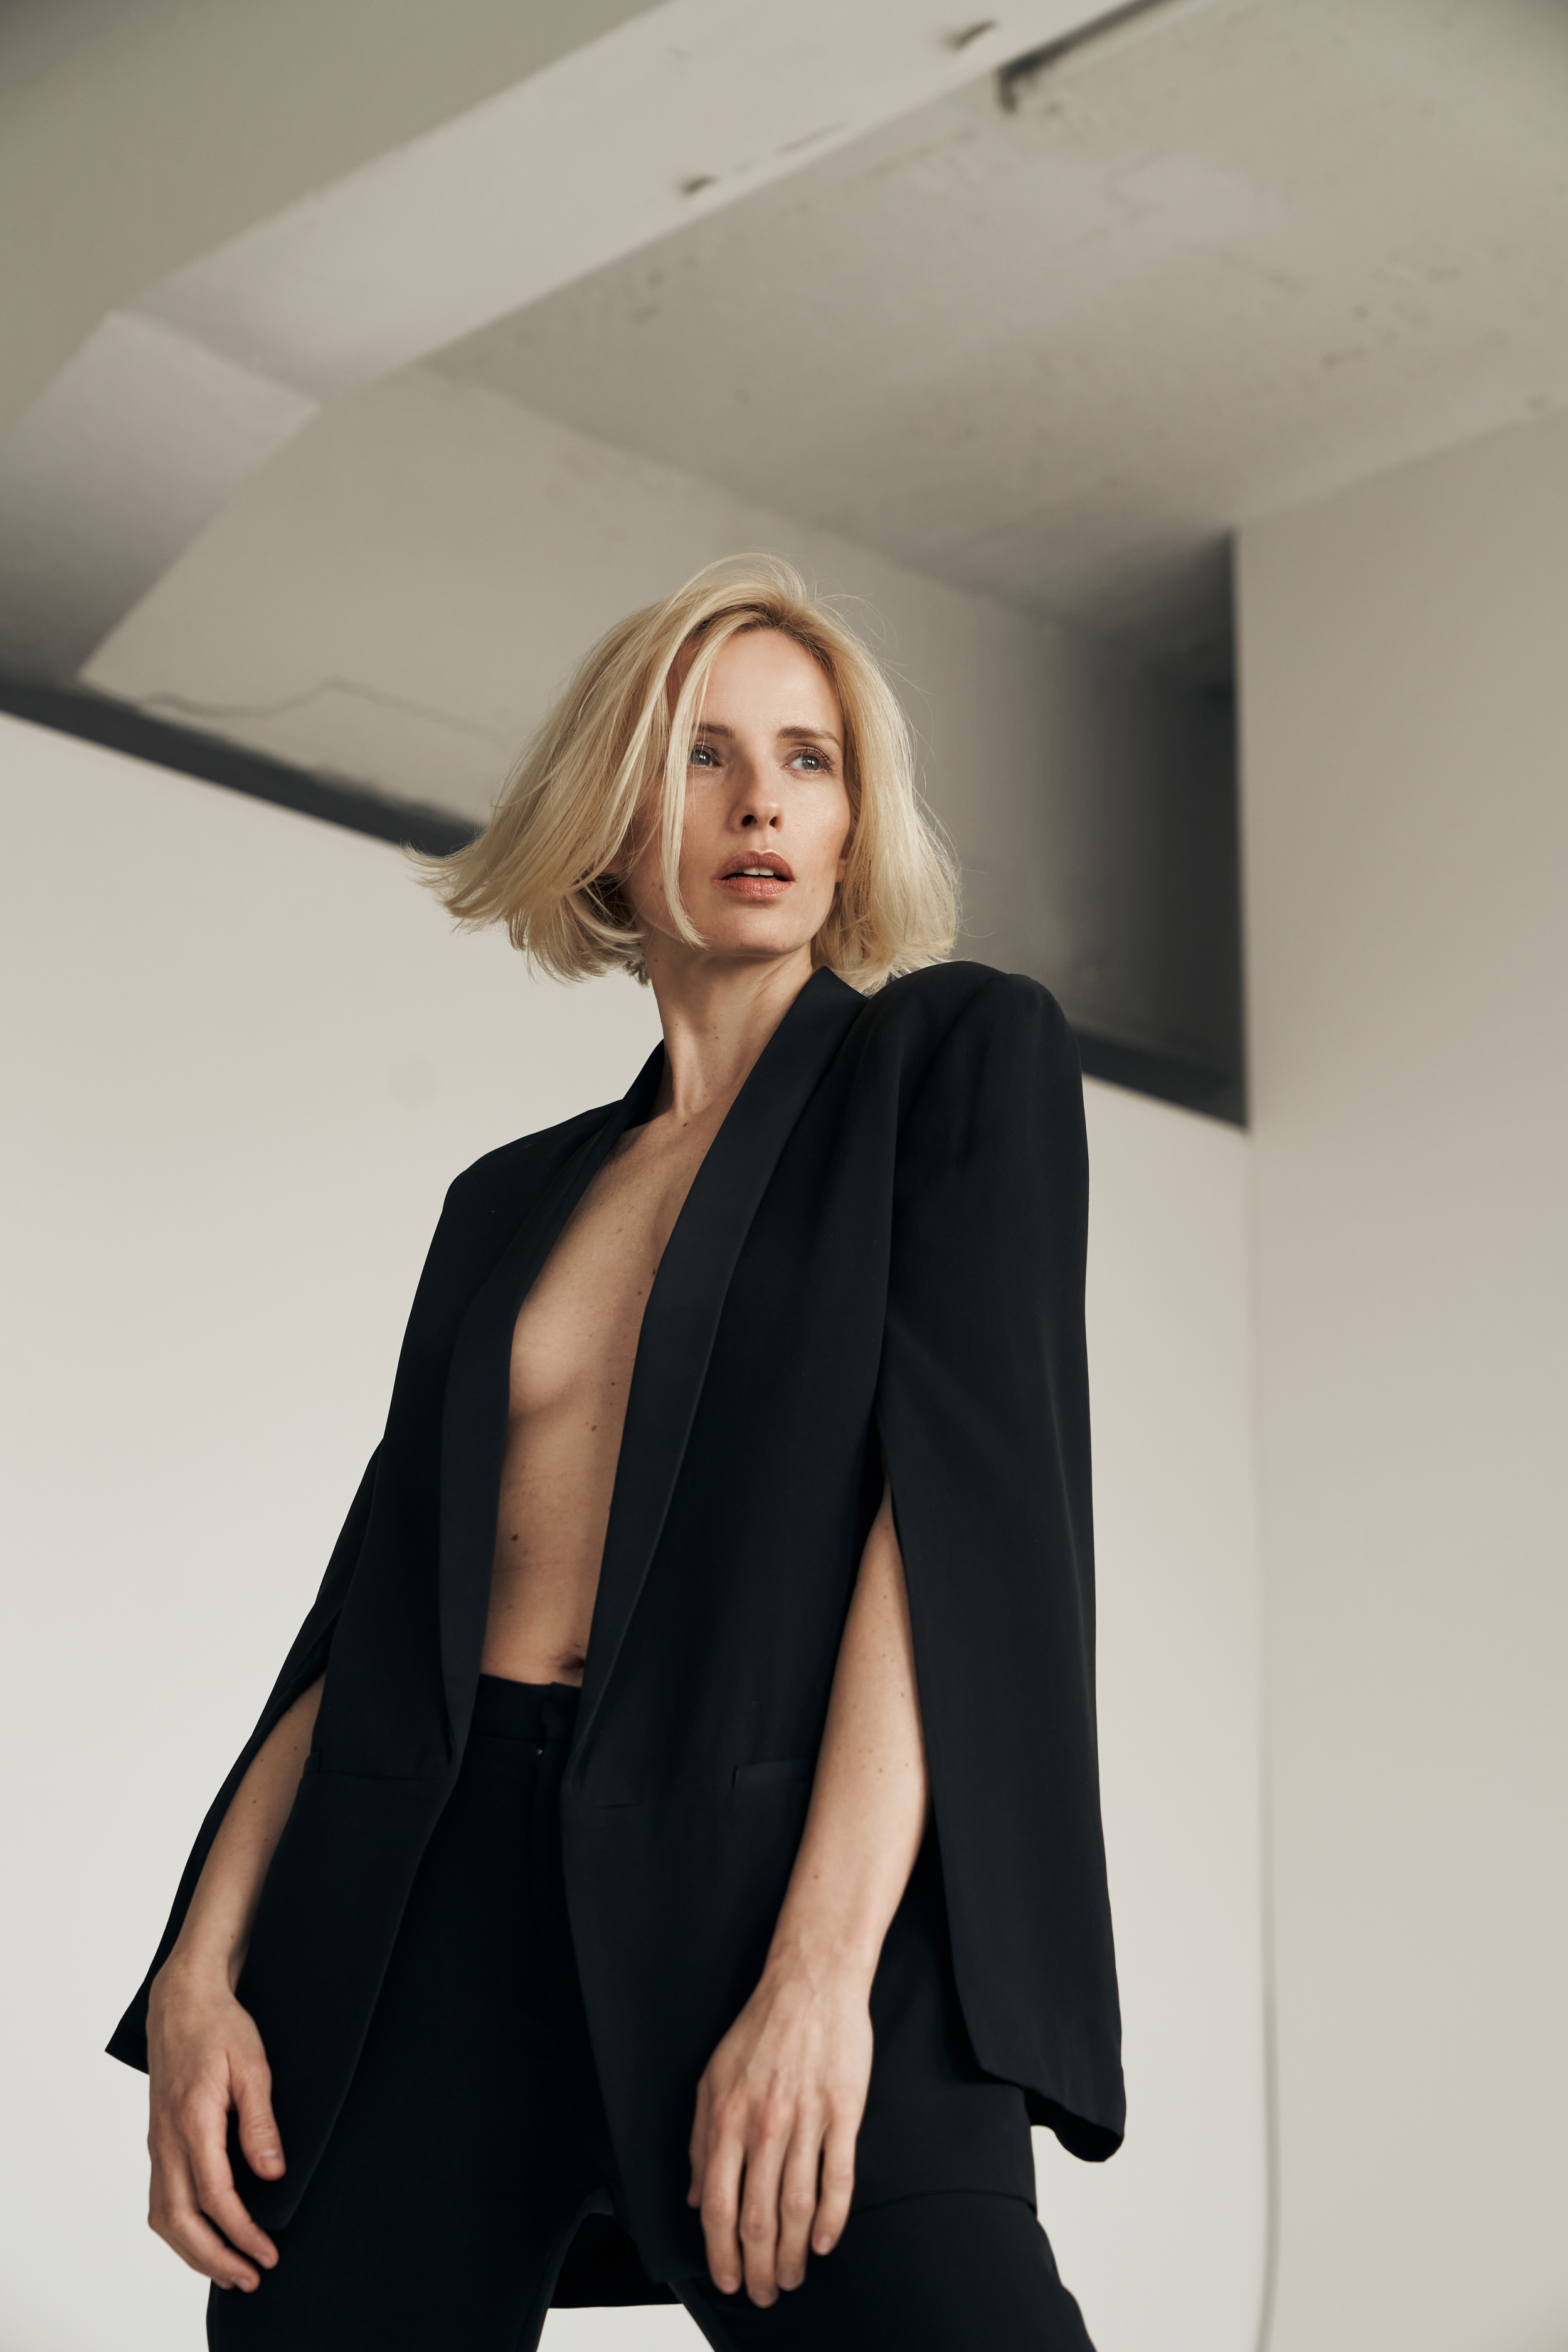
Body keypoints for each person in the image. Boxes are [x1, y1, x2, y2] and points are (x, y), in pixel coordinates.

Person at [110, 557, 1124, 2349]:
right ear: (612, 812)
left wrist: (819, 1977)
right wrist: (198, 1973)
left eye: (808, 760)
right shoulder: (504, 1203)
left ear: (853, 820)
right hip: (423, 1900)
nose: (760, 806)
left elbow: (960, 1550)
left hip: (783, 1875)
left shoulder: (952, 1062)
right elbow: (367, 1631)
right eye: (702, 756)